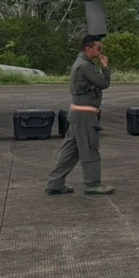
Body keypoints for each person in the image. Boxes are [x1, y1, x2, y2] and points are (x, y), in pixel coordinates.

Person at [45, 35, 115, 195]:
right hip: (85, 115)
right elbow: (103, 83)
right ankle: (92, 184)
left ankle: (55, 184)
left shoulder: (81, 63)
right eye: (98, 49)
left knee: (70, 151)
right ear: (88, 48)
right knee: (90, 148)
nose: (100, 52)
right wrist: (105, 67)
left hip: (78, 113)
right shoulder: (85, 66)